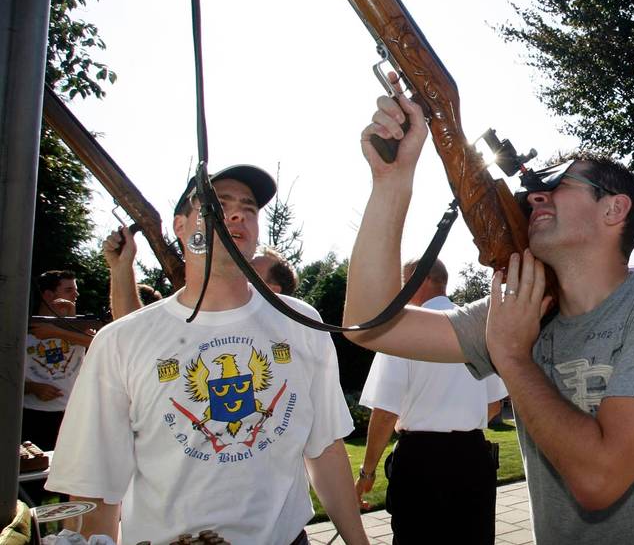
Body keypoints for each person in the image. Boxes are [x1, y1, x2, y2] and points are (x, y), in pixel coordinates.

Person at [341, 81, 634, 543]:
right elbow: (368, 324)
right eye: (535, 187)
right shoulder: (523, 307)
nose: (535, 195)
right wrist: (392, 181)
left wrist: (513, 357)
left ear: (615, 209)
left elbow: (600, 478)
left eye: (557, 183)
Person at [46, 165, 368, 545]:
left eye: (249, 207)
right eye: (217, 204)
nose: (237, 214)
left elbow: (325, 447)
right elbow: (93, 483)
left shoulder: (300, 322)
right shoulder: (121, 340)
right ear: (180, 227)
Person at [355, 258, 507, 544]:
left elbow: (386, 412)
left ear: (418, 279)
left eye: (403, 282)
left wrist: (367, 472)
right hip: (473, 458)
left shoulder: (402, 329)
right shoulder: (478, 328)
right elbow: (494, 404)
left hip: (421, 462)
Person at [23, 270, 91, 451]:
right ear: (48, 295)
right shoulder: (21, 327)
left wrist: (60, 328)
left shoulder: (77, 326)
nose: (76, 294)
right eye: (69, 290)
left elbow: (99, 344)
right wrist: (32, 388)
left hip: (70, 415)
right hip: (31, 415)